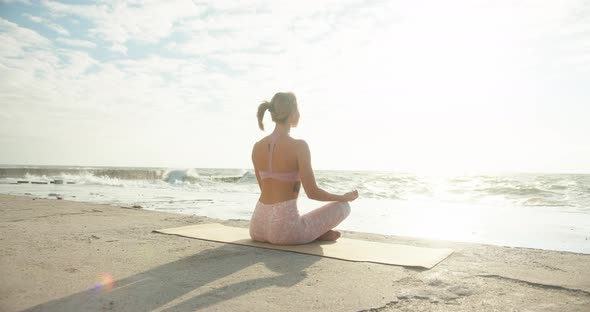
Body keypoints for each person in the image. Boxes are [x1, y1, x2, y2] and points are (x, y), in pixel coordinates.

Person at [249, 92, 358, 245]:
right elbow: (312, 193)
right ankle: (314, 233)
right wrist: (343, 197)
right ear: (293, 113)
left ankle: (315, 233)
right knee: (343, 207)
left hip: (257, 228)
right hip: (285, 232)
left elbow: (264, 189)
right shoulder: (299, 146)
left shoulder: (257, 147)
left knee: (303, 218)